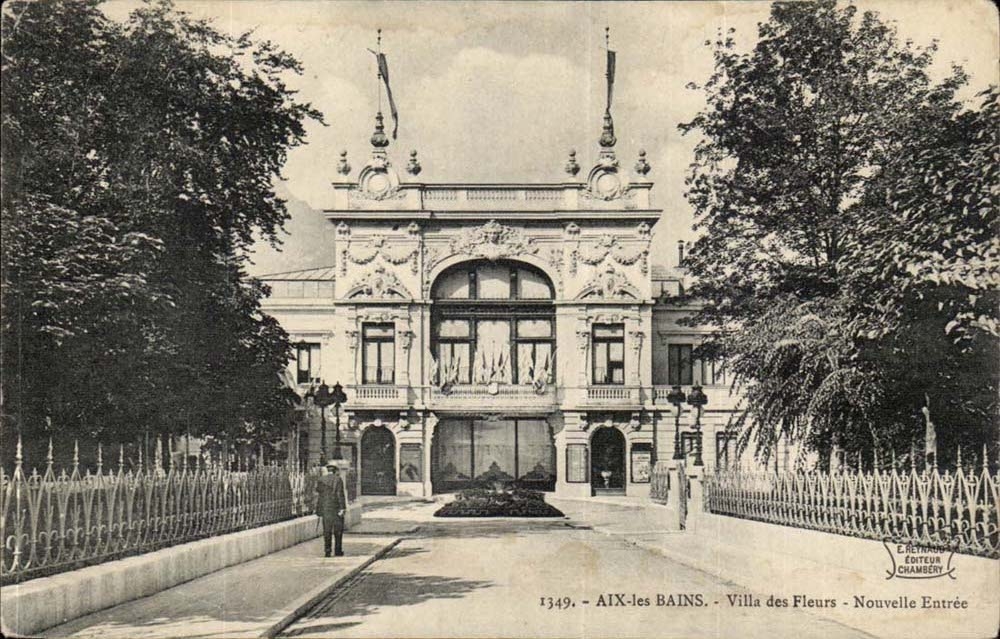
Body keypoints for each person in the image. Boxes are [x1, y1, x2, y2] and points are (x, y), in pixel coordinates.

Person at [315, 460, 347, 557]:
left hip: (325, 509)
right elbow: (340, 494)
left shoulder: (321, 480)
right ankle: (338, 551)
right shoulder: (338, 479)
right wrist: (342, 508)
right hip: (336, 509)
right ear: (335, 471)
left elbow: (319, 495)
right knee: (338, 531)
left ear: (327, 470)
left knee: (327, 531)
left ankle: (327, 551)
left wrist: (319, 510)